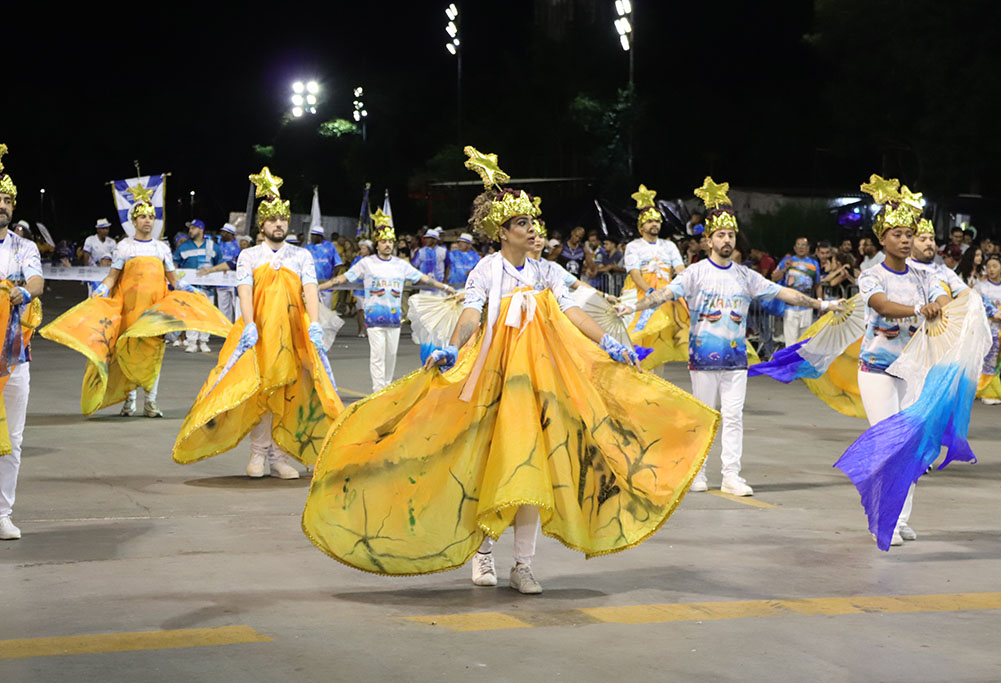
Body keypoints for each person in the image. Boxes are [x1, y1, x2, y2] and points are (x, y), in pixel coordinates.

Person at [303, 146, 718, 594]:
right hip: (493, 384)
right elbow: (471, 316)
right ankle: (483, 554)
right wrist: (450, 348)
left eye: (533, 224)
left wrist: (611, 342)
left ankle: (523, 564)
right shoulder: (486, 270)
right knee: (488, 467)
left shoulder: (547, 272)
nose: (532, 230)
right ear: (503, 232)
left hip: (538, 386)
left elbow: (574, 312)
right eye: (523, 224)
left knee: (530, 470)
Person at [618, 177, 842, 496]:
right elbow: (664, 294)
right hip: (703, 361)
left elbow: (783, 292)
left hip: (736, 360)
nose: (727, 240)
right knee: (704, 418)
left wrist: (823, 304)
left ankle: (731, 475)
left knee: (733, 417)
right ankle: (698, 473)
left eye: (731, 234)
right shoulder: (695, 273)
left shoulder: (745, 275)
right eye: (721, 235)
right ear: (709, 241)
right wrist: (632, 308)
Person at [172, 167, 343, 478]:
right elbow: (244, 291)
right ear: (262, 224)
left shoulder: (301, 256)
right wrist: (249, 324)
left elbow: (310, 289)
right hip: (259, 334)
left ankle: (280, 457)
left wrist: (314, 324)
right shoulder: (249, 256)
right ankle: (257, 455)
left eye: (283, 220)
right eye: (272, 220)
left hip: (292, 334)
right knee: (259, 392)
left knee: (289, 393)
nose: (278, 224)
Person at [40, 184, 228, 418]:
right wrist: (100, 290)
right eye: (142, 217)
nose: (148, 220)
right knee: (126, 354)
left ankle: (151, 402)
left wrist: (192, 290)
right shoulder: (124, 247)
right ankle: (129, 402)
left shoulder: (161, 248)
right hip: (129, 311)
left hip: (154, 314)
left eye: (151, 216)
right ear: (134, 221)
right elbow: (112, 277)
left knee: (153, 355)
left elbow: (174, 281)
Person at [855, 175, 951, 547]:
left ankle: (901, 518)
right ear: (883, 239)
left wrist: (940, 306)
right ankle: (884, 518)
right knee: (890, 445)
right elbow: (881, 306)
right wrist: (917, 308)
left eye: (910, 233)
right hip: (877, 371)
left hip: (913, 372)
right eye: (897, 233)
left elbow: (943, 297)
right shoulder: (871, 276)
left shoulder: (924, 274)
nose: (906, 239)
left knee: (912, 446)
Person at [320, 210, 453, 392]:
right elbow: (344, 278)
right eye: (384, 242)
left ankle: (387, 388)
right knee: (377, 356)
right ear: (377, 244)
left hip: (394, 319)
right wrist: (318, 287)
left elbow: (423, 278)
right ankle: (378, 390)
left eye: (390, 241)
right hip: (374, 318)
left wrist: (444, 287)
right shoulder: (367, 263)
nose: (388, 245)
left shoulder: (400, 265)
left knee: (390, 356)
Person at [0, 146, 45, 540]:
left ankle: (2, 513)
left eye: (8, 200)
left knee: (12, 438)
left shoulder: (24, 246)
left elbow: (36, 280)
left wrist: (25, 294)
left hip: (15, 354)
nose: (2, 205)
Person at [621, 184, 688, 371]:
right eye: (650, 221)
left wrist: (679, 290)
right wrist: (650, 292)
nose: (655, 224)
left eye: (657, 221)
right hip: (641, 297)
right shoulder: (633, 246)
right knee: (639, 339)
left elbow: (681, 270)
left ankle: (658, 384)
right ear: (641, 226)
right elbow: (635, 274)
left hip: (665, 298)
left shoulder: (669, 246)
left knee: (660, 341)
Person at [173, 219, 221, 353]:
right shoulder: (184, 247)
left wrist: (213, 271)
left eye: (193, 228)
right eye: (190, 228)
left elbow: (220, 262)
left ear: (201, 230)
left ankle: (204, 341)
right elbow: (175, 263)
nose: (190, 231)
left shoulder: (212, 246)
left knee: (206, 314)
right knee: (191, 314)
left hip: (208, 288)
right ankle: (192, 341)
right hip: (190, 288)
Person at [974, 254, 1001, 405]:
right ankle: (983, 390)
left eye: (995, 266)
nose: (991, 269)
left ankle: (991, 390)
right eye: (988, 266)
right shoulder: (980, 286)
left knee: (997, 362)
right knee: (984, 360)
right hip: (986, 328)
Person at [773, 237, 821, 346]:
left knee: (805, 343)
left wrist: (819, 301)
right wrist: (785, 268)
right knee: (790, 343)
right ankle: (790, 363)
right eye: (798, 245)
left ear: (808, 248)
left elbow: (818, 284)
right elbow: (774, 277)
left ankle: (802, 363)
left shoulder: (814, 264)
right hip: (790, 307)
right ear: (794, 248)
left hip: (807, 307)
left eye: (803, 245)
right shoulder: (787, 261)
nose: (801, 248)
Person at [908, 219, 969, 298]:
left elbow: (965, 292)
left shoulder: (943, 270)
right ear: (909, 243)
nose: (929, 243)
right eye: (923, 240)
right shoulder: (904, 268)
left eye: (931, 239)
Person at [304, 225, 343, 310]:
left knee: (326, 309)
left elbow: (338, 264)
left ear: (320, 236)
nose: (312, 237)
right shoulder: (307, 247)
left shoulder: (330, 246)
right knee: (311, 308)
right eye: (311, 235)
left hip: (326, 284)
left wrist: (333, 276)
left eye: (314, 235)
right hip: (311, 282)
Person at [412, 227, 447, 292]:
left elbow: (448, 266)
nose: (426, 240)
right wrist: (417, 280)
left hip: (439, 285)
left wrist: (445, 280)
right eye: (425, 238)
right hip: (424, 286)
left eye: (429, 238)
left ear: (435, 240)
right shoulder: (420, 251)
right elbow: (414, 266)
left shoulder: (443, 251)